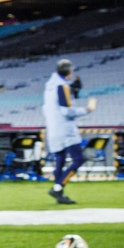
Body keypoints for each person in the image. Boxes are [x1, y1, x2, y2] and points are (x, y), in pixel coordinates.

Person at [41, 58, 95, 205]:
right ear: (70, 72)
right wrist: (87, 110)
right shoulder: (62, 86)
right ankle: (58, 188)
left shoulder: (50, 86)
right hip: (66, 130)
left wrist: (73, 89)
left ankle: (59, 194)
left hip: (53, 127)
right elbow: (66, 111)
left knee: (60, 160)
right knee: (78, 159)